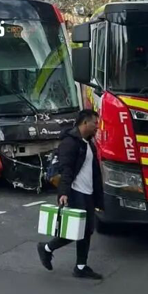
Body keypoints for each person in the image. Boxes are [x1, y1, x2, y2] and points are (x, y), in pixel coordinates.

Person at [37, 108, 104, 279]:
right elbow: (66, 170)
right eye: (95, 123)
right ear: (84, 123)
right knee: (76, 230)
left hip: (87, 192)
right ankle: (46, 248)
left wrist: (98, 198)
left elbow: (93, 172)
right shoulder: (70, 142)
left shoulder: (88, 142)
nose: (97, 126)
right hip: (76, 192)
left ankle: (81, 266)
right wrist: (64, 193)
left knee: (87, 230)